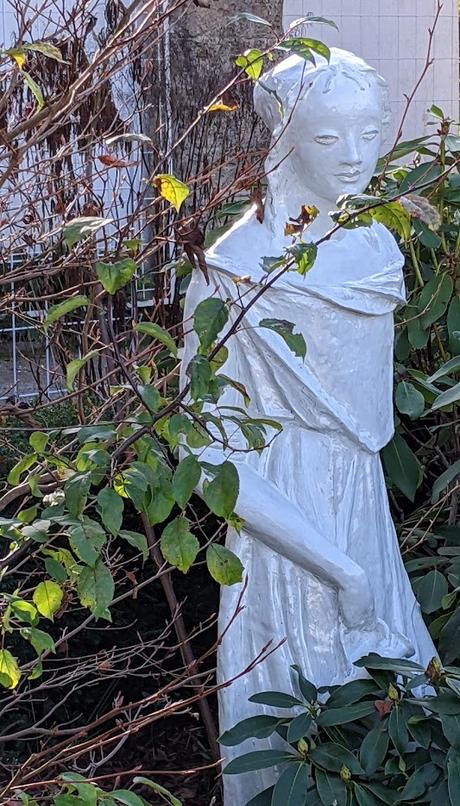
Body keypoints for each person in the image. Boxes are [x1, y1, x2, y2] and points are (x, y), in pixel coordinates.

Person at [180, 49, 436, 804]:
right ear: (285, 138)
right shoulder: (232, 269)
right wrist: (338, 568)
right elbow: (207, 449)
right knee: (291, 727)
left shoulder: (374, 247)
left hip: (361, 510)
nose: (357, 158)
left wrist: (363, 565)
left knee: (401, 706)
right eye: (329, 138)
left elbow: (364, 423)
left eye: (369, 132)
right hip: (283, 524)